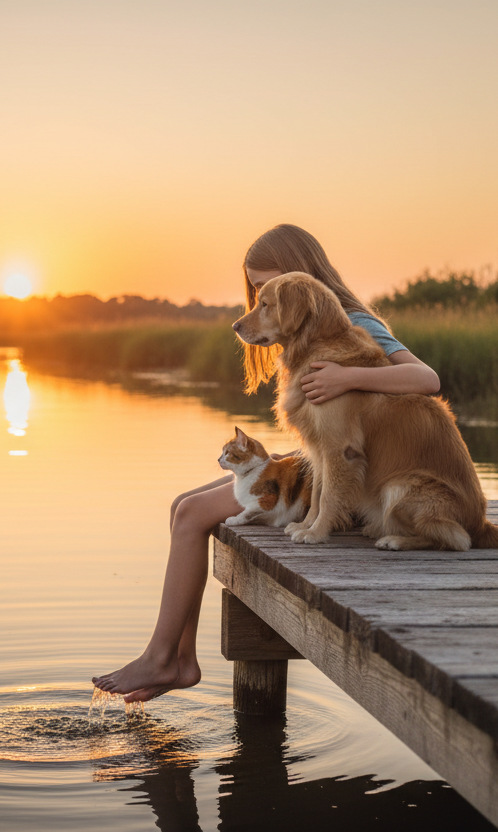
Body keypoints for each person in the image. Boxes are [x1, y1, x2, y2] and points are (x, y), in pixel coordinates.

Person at [92, 224, 441, 703]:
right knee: (182, 506)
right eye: (255, 291)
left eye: (264, 289)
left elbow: (427, 378)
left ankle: (162, 658)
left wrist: (347, 375)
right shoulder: (300, 323)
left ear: (299, 276)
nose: (258, 302)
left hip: (347, 486)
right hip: (317, 466)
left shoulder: (352, 319)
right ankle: (181, 658)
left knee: (193, 515)